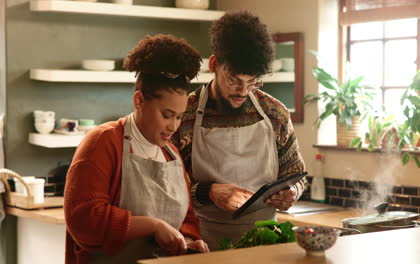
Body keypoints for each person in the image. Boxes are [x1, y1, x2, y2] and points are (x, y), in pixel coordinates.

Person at [64, 34, 209, 264]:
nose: (173, 126)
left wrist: (189, 240)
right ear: (139, 101)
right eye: (166, 115)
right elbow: (83, 220)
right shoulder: (102, 142)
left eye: (180, 117)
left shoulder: (170, 153)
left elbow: (187, 218)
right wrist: (151, 226)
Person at [171, 11, 306, 250]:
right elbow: (167, 188)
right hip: (204, 244)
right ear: (214, 65)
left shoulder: (275, 114)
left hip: (266, 242)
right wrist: (208, 191)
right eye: (234, 80)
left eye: (252, 82)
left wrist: (292, 192)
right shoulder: (185, 114)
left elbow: (296, 173)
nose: (243, 91)